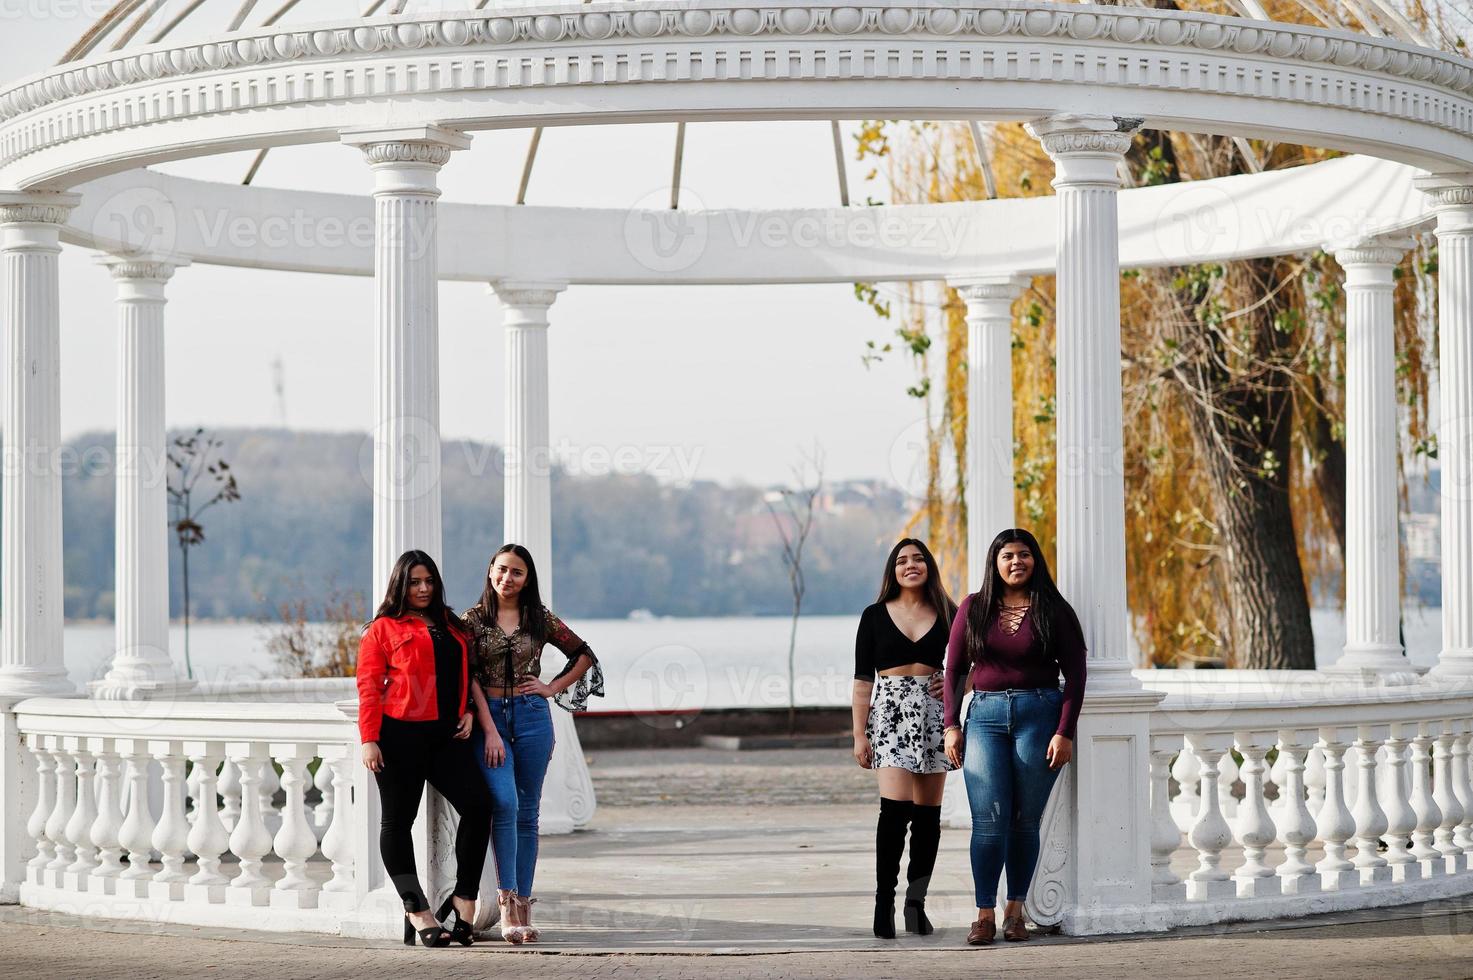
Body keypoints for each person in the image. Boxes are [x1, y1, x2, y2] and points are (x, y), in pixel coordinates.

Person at [942, 529, 1086, 946]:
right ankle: (984, 913)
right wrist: (952, 724)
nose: (1016, 562)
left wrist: (1065, 731)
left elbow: (1076, 675)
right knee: (988, 822)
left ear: (1035, 561)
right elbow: (954, 670)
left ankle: (1015, 911)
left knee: (1025, 821)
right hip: (984, 716)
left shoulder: (1054, 610)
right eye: (1008, 555)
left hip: (1039, 715)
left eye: (1024, 554)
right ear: (996, 562)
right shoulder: (974, 607)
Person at [463, 544, 604, 944]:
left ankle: (522, 903)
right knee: (503, 803)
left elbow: (583, 654)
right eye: (502, 569)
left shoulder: (538, 618)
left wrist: (551, 688)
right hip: (490, 719)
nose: (508, 578)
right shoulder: (471, 621)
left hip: (532, 717)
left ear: (528, 579)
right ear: (490, 571)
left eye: (517, 572)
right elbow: (468, 677)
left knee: (528, 813)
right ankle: (506, 901)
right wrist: (488, 729)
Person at [356, 550, 493, 948]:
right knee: (397, 823)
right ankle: (416, 909)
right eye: (415, 582)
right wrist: (369, 738)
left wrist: (467, 708)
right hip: (397, 737)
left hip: (446, 738)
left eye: (429, 581)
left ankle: (464, 897)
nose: (423, 588)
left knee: (480, 805)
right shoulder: (382, 628)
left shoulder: (451, 624)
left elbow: (464, 674)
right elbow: (368, 686)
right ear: (401, 584)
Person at [852, 538, 957, 939]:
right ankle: (884, 906)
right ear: (892, 571)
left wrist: (953, 686)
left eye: (917, 559)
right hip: (890, 717)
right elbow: (863, 680)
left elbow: (970, 663)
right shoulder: (874, 615)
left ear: (928, 565)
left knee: (928, 820)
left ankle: (916, 904)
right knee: (893, 815)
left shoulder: (948, 611)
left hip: (934, 719)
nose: (910, 565)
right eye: (901, 561)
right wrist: (859, 734)